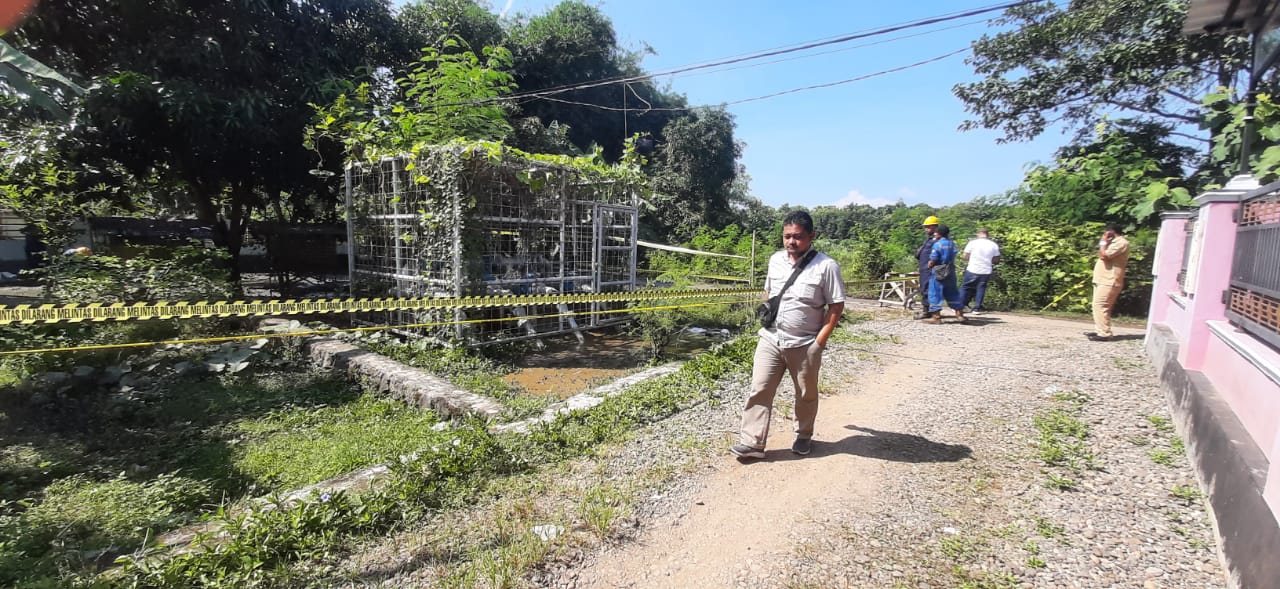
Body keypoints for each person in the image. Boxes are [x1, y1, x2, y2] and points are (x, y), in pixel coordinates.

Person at [731, 211, 845, 459]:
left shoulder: (826, 266)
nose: (792, 242)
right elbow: (769, 292)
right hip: (771, 339)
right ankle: (752, 443)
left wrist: (819, 342)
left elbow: (836, 307)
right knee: (759, 389)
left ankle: (804, 435)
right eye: (787, 237)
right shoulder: (775, 260)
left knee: (805, 393)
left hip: (805, 343)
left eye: (798, 237)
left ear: (811, 236)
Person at [1088, 224, 1129, 341]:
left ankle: (1105, 333)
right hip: (1102, 279)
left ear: (1111, 232)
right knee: (1097, 305)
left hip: (1110, 280)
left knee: (1101, 305)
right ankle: (1100, 329)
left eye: (1105, 233)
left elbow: (1104, 256)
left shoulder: (1121, 243)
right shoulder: (1113, 243)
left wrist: (1103, 242)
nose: (1104, 235)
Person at [925, 225, 965, 324]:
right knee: (953, 292)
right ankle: (960, 315)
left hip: (939, 270)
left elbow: (933, 259)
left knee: (935, 293)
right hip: (950, 270)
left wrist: (929, 265)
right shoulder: (952, 244)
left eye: (936, 232)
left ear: (939, 233)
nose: (934, 234)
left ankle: (936, 317)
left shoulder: (937, 245)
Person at [961, 228, 1001, 315]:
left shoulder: (972, 243)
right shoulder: (993, 245)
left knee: (966, 287)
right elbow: (996, 260)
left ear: (978, 234)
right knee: (981, 288)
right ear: (988, 234)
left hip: (972, 268)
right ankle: (977, 308)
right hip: (986, 270)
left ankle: (961, 306)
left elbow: (965, 256)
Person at [914, 216, 940, 318]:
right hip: (924, 269)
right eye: (925, 227)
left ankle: (927, 312)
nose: (926, 229)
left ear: (934, 227)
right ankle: (930, 311)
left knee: (928, 290)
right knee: (925, 289)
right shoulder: (929, 240)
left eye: (928, 227)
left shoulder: (937, 240)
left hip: (930, 270)